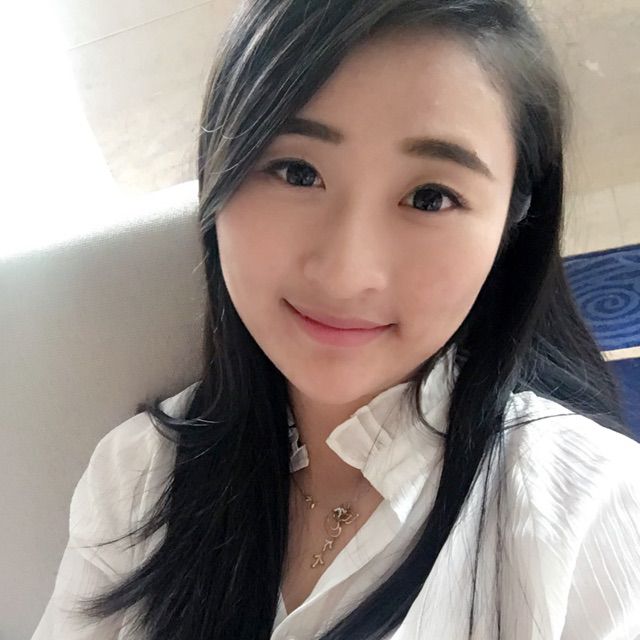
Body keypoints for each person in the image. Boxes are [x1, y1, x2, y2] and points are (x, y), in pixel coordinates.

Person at [32, 1, 640, 639]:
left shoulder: (593, 515)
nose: (346, 275)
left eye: (430, 197)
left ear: (511, 224)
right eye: (297, 172)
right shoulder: (139, 474)